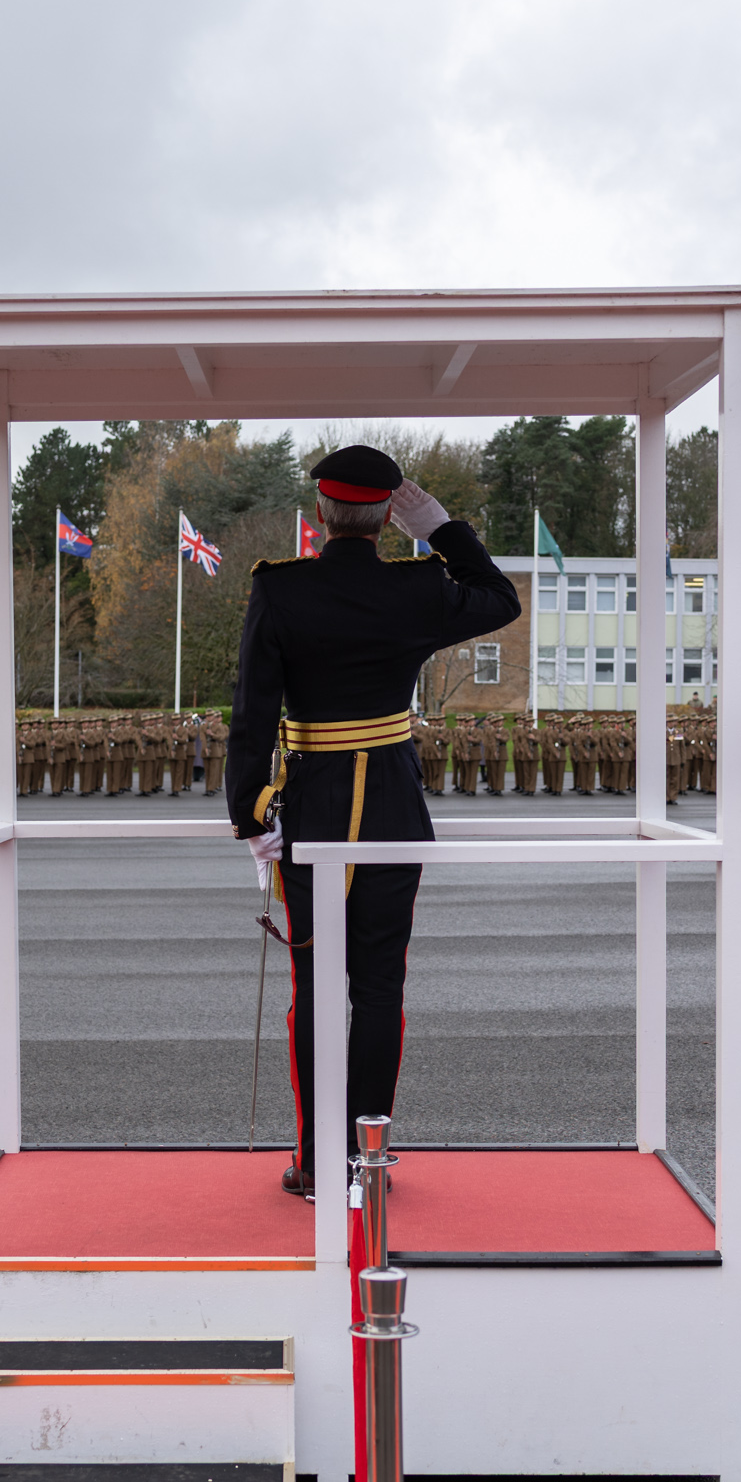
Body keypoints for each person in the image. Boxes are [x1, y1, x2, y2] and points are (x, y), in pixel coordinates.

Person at [227, 445, 519, 1197]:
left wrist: (250, 810)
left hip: (312, 805)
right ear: (389, 514)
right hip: (390, 803)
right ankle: (368, 1160)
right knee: (380, 985)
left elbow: (252, 716)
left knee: (315, 984)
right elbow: (499, 599)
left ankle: (320, 1161)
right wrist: (443, 531)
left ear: (320, 511)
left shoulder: (281, 591)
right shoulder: (418, 588)